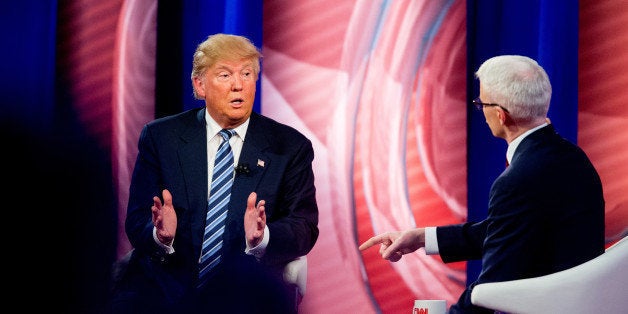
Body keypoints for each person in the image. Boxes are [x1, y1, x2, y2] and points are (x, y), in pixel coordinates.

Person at [359, 55, 605, 313]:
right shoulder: (573, 158)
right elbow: (511, 227)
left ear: (500, 115)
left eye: (480, 104)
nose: (480, 111)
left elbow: (494, 284)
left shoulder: (519, 179)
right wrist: (422, 238)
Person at [109, 33, 319, 314]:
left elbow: (304, 226)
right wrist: (161, 237)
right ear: (200, 85)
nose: (238, 85)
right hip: (162, 287)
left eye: (246, 74)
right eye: (225, 75)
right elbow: (136, 220)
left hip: (244, 293)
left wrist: (263, 237)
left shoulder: (290, 147)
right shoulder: (162, 137)